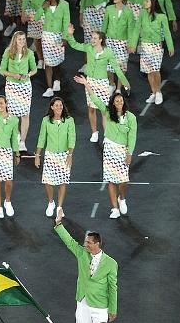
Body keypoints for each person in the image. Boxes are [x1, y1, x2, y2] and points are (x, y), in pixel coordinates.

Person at [76, 76, 137, 218]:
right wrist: (86, 84)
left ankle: (122, 198)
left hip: (123, 150)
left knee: (122, 180)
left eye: (121, 100)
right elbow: (95, 99)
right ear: (113, 103)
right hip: (109, 148)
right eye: (117, 101)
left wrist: (130, 153)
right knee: (110, 179)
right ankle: (114, 208)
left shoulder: (131, 118)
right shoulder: (108, 113)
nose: (119, 102)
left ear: (124, 102)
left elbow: (132, 137)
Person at [53, 221, 118, 323]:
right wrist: (59, 225)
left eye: (88, 242)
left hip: (100, 306)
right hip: (82, 302)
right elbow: (69, 241)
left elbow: (112, 287)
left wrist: (113, 309)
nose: (85, 244)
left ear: (97, 244)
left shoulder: (111, 263)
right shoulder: (82, 254)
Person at [66, 24, 130, 142]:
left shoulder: (108, 53)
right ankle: (94, 132)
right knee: (91, 108)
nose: (92, 40)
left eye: (95, 38)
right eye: (92, 38)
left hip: (102, 83)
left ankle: (106, 134)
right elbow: (74, 45)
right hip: (90, 81)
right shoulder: (89, 48)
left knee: (104, 110)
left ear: (101, 40)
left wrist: (125, 83)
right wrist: (70, 35)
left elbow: (116, 69)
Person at [35, 97, 76, 219]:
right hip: (50, 154)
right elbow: (42, 138)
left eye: (61, 105)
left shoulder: (69, 120)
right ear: (52, 107)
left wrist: (70, 154)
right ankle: (51, 202)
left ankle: (59, 207)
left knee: (62, 182)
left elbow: (72, 138)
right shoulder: (46, 120)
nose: (59, 107)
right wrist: (37, 155)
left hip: (64, 154)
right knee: (48, 181)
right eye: (56, 105)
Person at [131, 0, 175, 104]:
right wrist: (133, 44)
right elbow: (137, 29)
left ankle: (159, 92)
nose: (144, 2)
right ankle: (153, 92)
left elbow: (167, 32)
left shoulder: (162, 16)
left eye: (146, 1)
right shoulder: (142, 13)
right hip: (145, 46)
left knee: (155, 70)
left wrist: (170, 46)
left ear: (152, 3)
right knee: (149, 71)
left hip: (156, 46)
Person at [0, 31, 37, 152]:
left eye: (24, 39)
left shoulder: (29, 53)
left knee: (25, 115)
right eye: (20, 39)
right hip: (12, 86)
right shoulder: (8, 52)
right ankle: (16, 136)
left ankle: (22, 142)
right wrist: (13, 75)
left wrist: (28, 75)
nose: (22, 41)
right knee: (13, 114)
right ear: (15, 40)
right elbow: (2, 70)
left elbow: (34, 69)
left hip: (25, 87)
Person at [22, 0, 57, 68]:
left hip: (47, 13)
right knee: (36, 38)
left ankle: (48, 59)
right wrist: (23, 11)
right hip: (34, 12)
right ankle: (41, 60)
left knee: (46, 38)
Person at [37, 0, 70, 97]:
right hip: (46, 36)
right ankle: (49, 88)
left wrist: (65, 37)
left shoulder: (64, 4)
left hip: (58, 37)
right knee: (48, 63)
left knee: (57, 62)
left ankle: (57, 80)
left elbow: (66, 22)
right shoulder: (45, 4)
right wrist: (42, 8)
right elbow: (36, 18)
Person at [102, 0, 134, 92]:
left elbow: (130, 29)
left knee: (121, 66)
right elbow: (104, 26)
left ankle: (119, 88)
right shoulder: (109, 9)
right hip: (110, 41)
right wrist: (101, 41)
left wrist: (131, 44)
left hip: (122, 42)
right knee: (108, 65)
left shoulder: (128, 11)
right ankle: (112, 84)